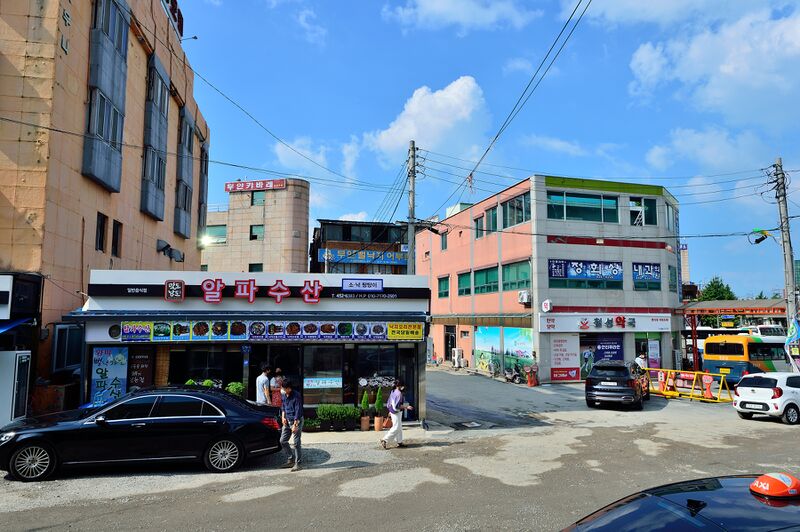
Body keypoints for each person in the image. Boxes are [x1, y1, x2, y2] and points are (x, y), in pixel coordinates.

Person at [381, 379, 413, 449]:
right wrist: (407, 407)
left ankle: (399, 442)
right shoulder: (399, 394)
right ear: (400, 386)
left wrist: (390, 410)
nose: (403, 387)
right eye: (403, 386)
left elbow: (390, 402)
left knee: (399, 427)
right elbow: (397, 406)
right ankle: (385, 440)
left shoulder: (393, 391)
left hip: (393, 411)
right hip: (396, 412)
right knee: (396, 427)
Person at [279, 379, 303, 471]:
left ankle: (298, 464)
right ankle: (291, 459)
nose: (283, 390)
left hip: (296, 420)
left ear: (289, 388)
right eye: (282, 388)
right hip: (287, 420)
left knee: (296, 443)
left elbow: (298, 410)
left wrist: (295, 425)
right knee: (282, 441)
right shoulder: (284, 394)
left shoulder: (296, 396)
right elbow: (283, 406)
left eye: (284, 388)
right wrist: (283, 417)